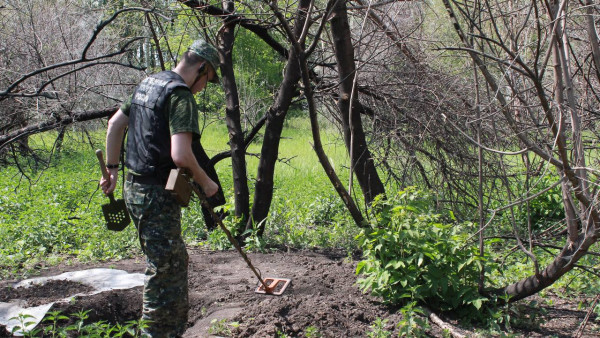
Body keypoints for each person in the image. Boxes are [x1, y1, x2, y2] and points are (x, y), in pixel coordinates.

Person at [100, 39, 222, 337]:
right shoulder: (180, 96)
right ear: (201, 68)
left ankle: (173, 330)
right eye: (208, 79)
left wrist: (113, 169)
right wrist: (206, 183)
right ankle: (156, 333)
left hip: (133, 187)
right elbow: (181, 154)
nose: (205, 86)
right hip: (156, 194)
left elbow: (115, 125)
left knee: (173, 261)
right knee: (163, 269)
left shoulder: (149, 84)